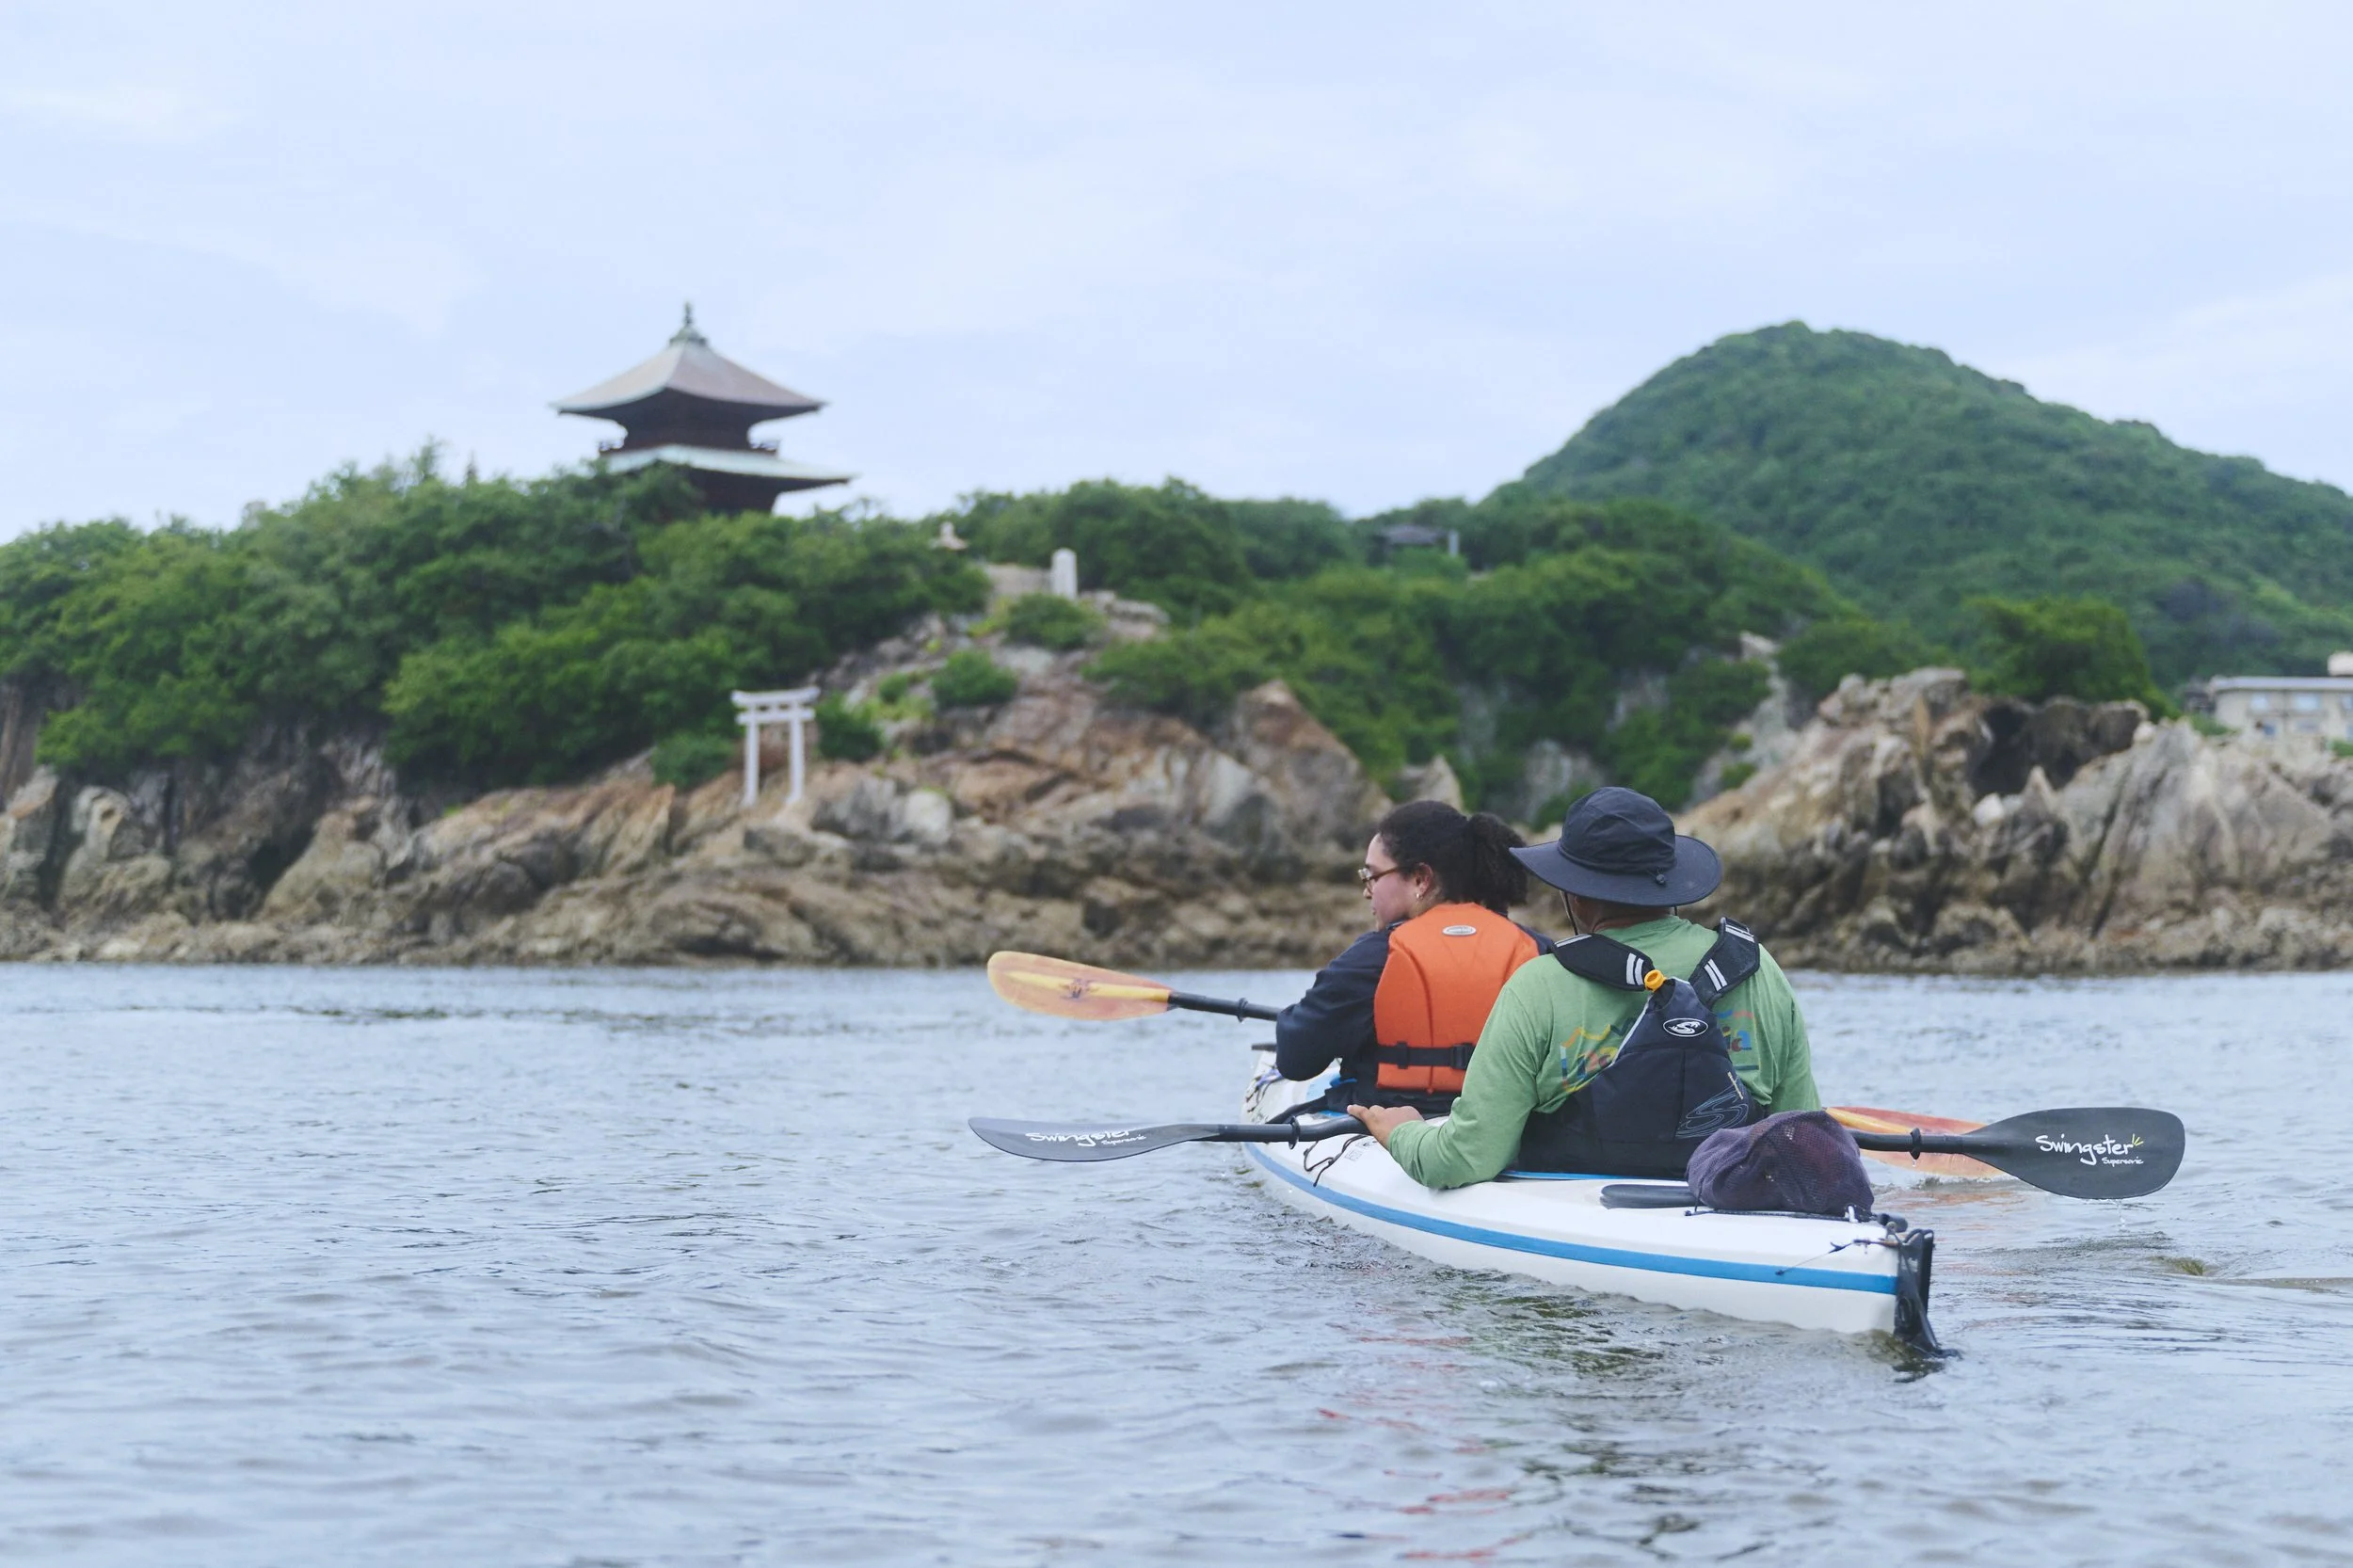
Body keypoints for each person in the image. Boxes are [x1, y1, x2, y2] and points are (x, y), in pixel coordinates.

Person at [1349, 786, 1820, 1189]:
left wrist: (1403, 1132)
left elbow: (1464, 1159)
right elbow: (1804, 1144)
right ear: (1671, 883)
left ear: (1573, 892)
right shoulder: (1755, 970)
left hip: (1577, 1219)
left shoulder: (1540, 986)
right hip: (1725, 1215)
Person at [1272, 799, 1550, 1116]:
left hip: (1391, 1126)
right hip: (1507, 1131)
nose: (1367, 891)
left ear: (1420, 878)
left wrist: (1293, 1017)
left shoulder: (1374, 957)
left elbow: (1295, 1060)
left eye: (1373, 876)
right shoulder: (1537, 950)